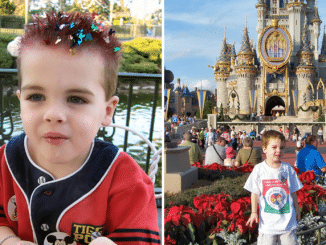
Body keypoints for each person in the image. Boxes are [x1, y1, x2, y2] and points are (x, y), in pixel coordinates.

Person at [0, 12, 160, 245]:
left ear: (107, 110)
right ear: (20, 100)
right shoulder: (6, 162)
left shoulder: (127, 180)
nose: (53, 115)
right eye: (36, 96)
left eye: (76, 99)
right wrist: (7, 240)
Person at [244, 130, 302, 245]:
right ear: (265, 149)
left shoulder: (287, 169)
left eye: (282, 148)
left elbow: (293, 191)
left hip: (287, 223)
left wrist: (297, 209)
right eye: (274, 147)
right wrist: (254, 212)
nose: (278, 151)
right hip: (268, 224)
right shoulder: (259, 169)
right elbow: (254, 193)